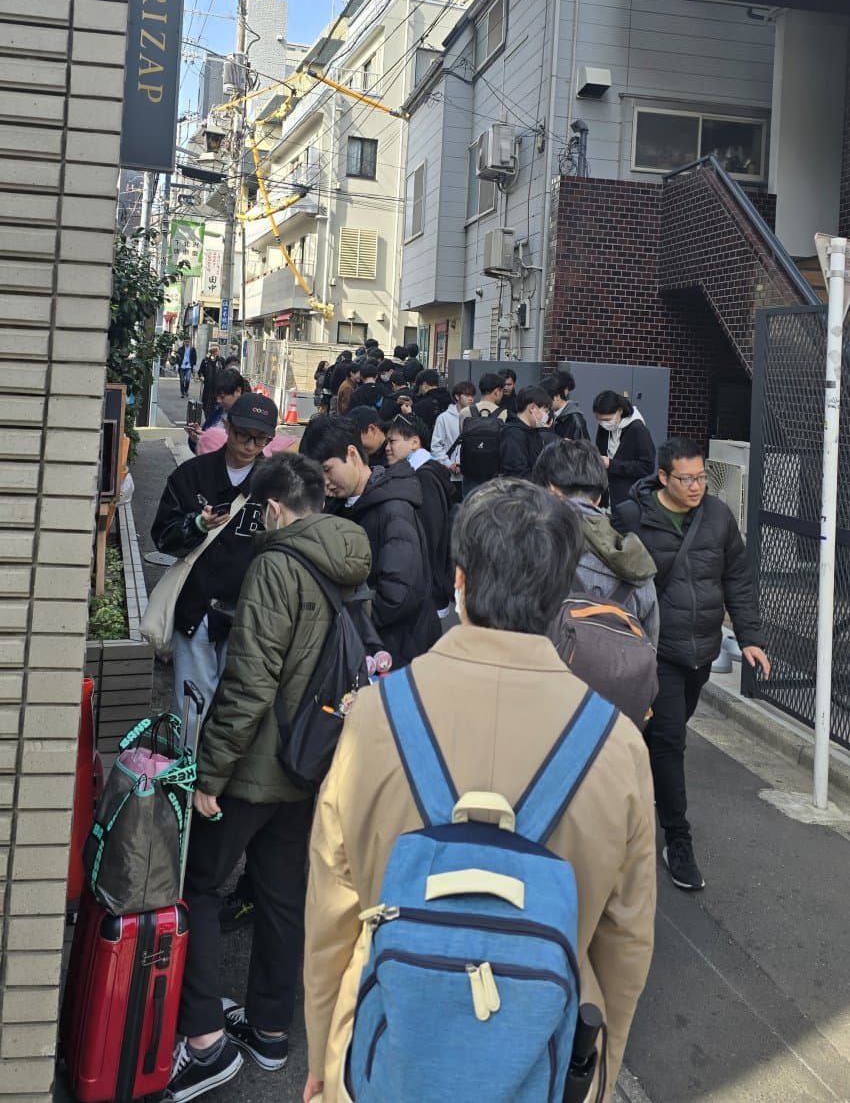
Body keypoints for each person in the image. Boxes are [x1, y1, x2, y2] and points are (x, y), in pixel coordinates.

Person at [302, 479, 656, 1102]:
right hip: (541, 1061)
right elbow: (624, 945)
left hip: (382, 1056)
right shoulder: (618, 745)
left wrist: (324, 1056)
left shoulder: (377, 717)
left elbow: (333, 912)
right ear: (561, 596)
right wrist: (597, 1072)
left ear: (460, 581)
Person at [166, 454, 373, 1103]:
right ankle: (270, 1030)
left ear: (275, 508)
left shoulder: (276, 564)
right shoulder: (349, 558)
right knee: (284, 898)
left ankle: (204, 1041)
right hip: (314, 758)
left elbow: (250, 681)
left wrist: (210, 774)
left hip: (255, 765)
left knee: (199, 885)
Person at [615, 437, 771, 892]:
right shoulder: (632, 517)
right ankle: (678, 840)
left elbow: (737, 578)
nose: (696, 486)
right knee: (669, 739)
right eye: (686, 479)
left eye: (701, 477)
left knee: (661, 734)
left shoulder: (718, 516)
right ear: (663, 477)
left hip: (700, 652)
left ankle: (629, 788)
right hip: (655, 649)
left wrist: (750, 638)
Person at [151, 393, 278, 709]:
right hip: (197, 607)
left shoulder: (277, 483)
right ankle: (189, 744)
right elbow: (163, 537)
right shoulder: (193, 474)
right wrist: (197, 525)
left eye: (260, 439)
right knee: (192, 707)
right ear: (227, 426)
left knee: (237, 709)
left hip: (250, 613)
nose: (250, 446)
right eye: (243, 435)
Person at [299, 416, 439, 665]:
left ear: (352, 454)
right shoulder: (341, 505)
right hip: (366, 646)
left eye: (327, 470)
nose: (324, 482)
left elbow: (398, 595)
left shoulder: (394, 509)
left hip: (393, 652)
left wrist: (341, 618)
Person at [532, 439, 659, 645]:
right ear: (599, 497)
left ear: (551, 490)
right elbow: (649, 646)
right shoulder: (637, 562)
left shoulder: (527, 550)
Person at [384, 412, 454, 620]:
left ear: (414, 442)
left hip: (426, 586)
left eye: (392, 441)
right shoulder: (421, 472)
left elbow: (430, 535)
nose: (387, 448)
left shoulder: (424, 478)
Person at [593, 390, 656, 511]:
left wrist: (612, 464)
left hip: (627, 499)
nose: (604, 424)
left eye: (607, 419)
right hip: (606, 496)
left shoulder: (638, 429)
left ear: (620, 411)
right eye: (599, 420)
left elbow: (647, 467)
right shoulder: (604, 427)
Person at [457, 372, 508, 498]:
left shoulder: (465, 412)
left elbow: (463, 436)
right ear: (497, 392)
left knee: (470, 504)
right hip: (494, 473)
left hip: (470, 472)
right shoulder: (504, 414)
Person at [431, 380, 476, 501]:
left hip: (471, 475)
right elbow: (436, 446)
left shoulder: (476, 417)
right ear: (457, 396)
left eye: (472, 395)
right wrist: (449, 464)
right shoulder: (444, 418)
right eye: (467, 395)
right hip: (450, 475)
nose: (471, 399)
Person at [499, 384, 553, 479]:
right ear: (532, 408)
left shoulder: (532, 431)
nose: (547, 415)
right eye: (545, 410)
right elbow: (518, 474)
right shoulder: (513, 434)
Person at [188, 369, 247, 454]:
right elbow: (199, 448)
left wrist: (208, 441)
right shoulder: (218, 411)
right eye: (217, 396)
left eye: (222, 397)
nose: (218, 400)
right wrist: (197, 437)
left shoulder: (248, 418)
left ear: (238, 391)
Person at [542, 370, 590, 442]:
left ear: (557, 397)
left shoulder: (575, 419)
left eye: (546, 398)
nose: (544, 403)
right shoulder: (551, 414)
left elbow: (584, 447)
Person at [411, 368, 450, 443]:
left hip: (430, 444)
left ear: (424, 385)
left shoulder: (423, 404)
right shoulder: (449, 399)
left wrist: (409, 413)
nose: (420, 390)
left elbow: (416, 428)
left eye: (419, 387)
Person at [198, 343, 223, 419]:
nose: (217, 353)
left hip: (218, 387)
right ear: (212, 351)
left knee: (216, 405)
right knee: (206, 406)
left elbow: (225, 371)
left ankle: (213, 420)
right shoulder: (205, 361)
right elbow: (200, 372)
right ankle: (208, 419)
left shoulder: (221, 361)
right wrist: (201, 377)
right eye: (215, 351)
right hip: (208, 387)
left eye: (218, 351)